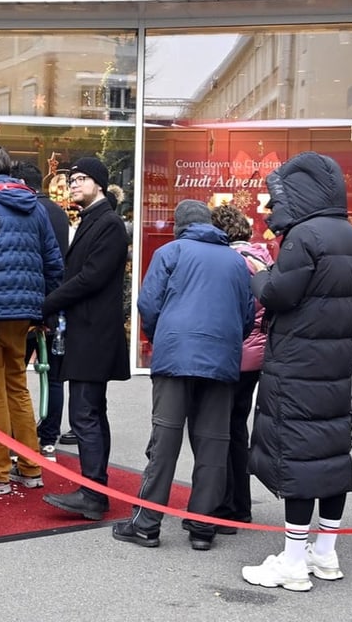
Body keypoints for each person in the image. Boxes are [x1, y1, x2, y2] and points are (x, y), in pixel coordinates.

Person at [241, 152, 352, 591]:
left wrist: (259, 272)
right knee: (331, 456)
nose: (272, 209)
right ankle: (325, 554)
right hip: (334, 366)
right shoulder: (351, 235)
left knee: (296, 457)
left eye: (277, 199)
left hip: (296, 365)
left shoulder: (303, 236)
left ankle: (293, 563)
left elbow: (278, 294)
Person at [113, 199, 254, 551]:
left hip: (176, 355)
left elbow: (148, 303)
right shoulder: (237, 261)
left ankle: (147, 523)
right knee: (213, 444)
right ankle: (203, 527)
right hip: (221, 360)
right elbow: (248, 315)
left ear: (179, 225)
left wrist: (163, 333)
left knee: (165, 441)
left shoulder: (171, 251)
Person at [0, 143, 63, 494]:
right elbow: (53, 261)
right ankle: (30, 464)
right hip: (25, 309)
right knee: (17, 385)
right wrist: (46, 309)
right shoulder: (33, 206)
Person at [40, 157, 129, 519]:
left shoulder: (108, 224)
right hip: (86, 331)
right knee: (90, 412)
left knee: (85, 414)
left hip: (94, 334)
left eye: (81, 179)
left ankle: (94, 492)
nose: (73, 184)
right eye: (71, 179)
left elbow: (90, 277)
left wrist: (49, 301)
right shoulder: (92, 220)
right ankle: (95, 487)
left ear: (100, 184)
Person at [209, 203, 273, 530]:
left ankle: (229, 505)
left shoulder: (233, 262)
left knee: (224, 428)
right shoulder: (262, 258)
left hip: (235, 352)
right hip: (257, 355)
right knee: (238, 427)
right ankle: (241, 503)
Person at [12, 159, 71, 460]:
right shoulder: (60, 214)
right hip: (55, 303)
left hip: (24, 304)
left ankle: (14, 438)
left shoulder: (21, 211)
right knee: (55, 376)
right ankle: (48, 437)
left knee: (14, 372)